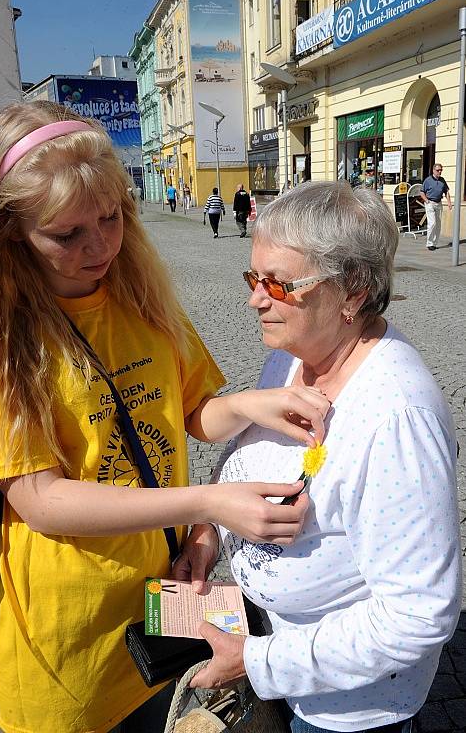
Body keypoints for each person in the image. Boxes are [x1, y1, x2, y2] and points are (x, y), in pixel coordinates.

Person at [0, 102, 330, 733]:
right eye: (67, 235)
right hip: (70, 647)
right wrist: (210, 505)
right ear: (10, 232)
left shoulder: (139, 297)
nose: (100, 246)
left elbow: (194, 411)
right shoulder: (2, 338)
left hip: (165, 601)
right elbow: (41, 501)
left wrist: (253, 405)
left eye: (112, 218)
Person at [182, 181, 462, 733]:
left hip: (345, 705)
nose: (255, 299)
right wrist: (209, 527)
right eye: (253, 277)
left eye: (280, 285)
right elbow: (248, 455)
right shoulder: (296, 354)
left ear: (353, 291)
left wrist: (255, 662)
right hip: (273, 638)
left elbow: (418, 616)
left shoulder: (396, 420)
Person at [420, 163, 452, 250]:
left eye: (441, 170)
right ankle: (429, 243)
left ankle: (434, 243)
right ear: (433, 170)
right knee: (432, 223)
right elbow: (422, 192)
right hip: (430, 202)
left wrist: (449, 202)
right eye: (438, 170)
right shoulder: (428, 180)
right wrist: (426, 201)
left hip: (439, 203)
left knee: (438, 224)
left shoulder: (442, 180)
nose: (439, 172)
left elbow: (446, 191)